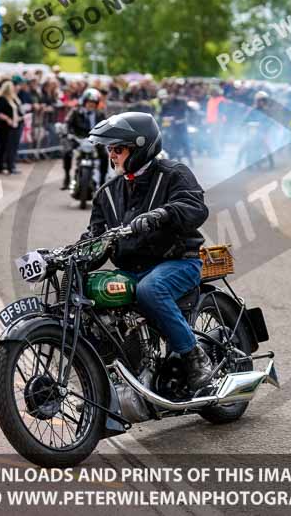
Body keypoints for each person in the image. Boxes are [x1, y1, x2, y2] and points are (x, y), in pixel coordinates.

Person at [85, 112, 213, 391]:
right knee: (92, 293)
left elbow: (196, 208)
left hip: (177, 261)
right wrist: (71, 254)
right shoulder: (107, 192)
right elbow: (94, 237)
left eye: (118, 149)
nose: (113, 155)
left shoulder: (173, 174)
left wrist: (163, 214)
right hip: (132, 268)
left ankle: (194, 356)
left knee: (150, 290)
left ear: (140, 147)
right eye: (110, 149)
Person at [62, 87, 107, 189]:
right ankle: (67, 177)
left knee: (104, 156)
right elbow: (67, 123)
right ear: (84, 101)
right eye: (89, 102)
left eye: (94, 102)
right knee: (67, 152)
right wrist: (66, 132)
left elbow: (106, 126)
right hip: (78, 139)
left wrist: (108, 135)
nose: (91, 104)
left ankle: (103, 182)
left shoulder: (100, 114)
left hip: (95, 141)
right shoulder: (75, 112)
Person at [0, 79, 22, 175]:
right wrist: (7, 119)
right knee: (3, 146)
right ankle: (1, 166)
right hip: (4, 126)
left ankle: (10, 166)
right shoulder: (2, 99)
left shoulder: (13, 99)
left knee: (10, 146)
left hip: (13, 126)